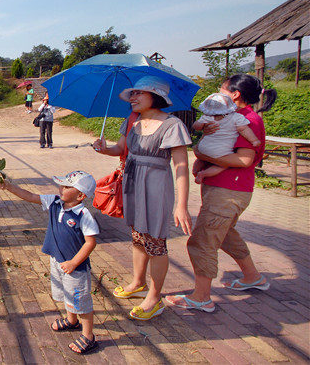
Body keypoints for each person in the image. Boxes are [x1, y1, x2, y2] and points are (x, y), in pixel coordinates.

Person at [166, 74, 277, 313]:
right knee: (225, 234)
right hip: (224, 187)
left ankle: (201, 296)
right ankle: (252, 276)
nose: (217, 92)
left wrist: (202, 154)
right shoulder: (227, 116)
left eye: (221, 89)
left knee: (202, 241)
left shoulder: (248, 119)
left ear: (235, 94)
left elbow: (245, 159)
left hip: (229, 189)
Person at [92, 75, 192, 320]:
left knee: (155, 241)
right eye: (132, 94)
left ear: (155, 96)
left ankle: (155, 297)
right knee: (138, 234)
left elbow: (181, 166)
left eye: (139, 93)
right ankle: (138, 282)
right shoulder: (132, 120)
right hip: (132, 180)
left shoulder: (172, 124)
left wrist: (182, 205)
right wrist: (104, 149)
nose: (133, 98)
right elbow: (120, 149)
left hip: (156, 184)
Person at [0, 171, 100, 355]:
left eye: (67, 186)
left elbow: (90, 242)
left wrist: (73, 262)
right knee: (66, 295)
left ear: (80, 196)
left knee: (81, 302)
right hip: (57, 261)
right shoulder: (54, 202)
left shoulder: (84, 215)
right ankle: (71, 321)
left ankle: (89, 336)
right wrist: (9, 187)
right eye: (62, 184)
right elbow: (30, 196)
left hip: (75, 268)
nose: (61, 188)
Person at [192, 92, 261, 184]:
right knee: (223, 165)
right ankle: (203, 174)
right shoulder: (237, 117)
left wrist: (202, 126)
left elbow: (196, 126)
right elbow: (243, 129)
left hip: (203, 147)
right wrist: (254, 140)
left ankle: (196, 167)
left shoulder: (207, 117)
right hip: (221, 150)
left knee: (204, 156)